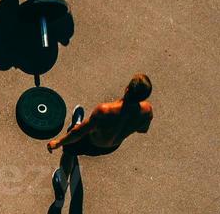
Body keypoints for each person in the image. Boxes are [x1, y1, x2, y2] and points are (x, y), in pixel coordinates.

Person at [46, 73, 153, 203]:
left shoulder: (105, 111)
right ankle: (78, 121)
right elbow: (143, 129)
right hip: (112, 146)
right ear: (144, 97)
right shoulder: (147, 112)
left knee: (69, 148)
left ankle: (62, 183)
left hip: (91, 143)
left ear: (127, 89)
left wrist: (58, 142)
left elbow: (78, 133)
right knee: (80, 131)